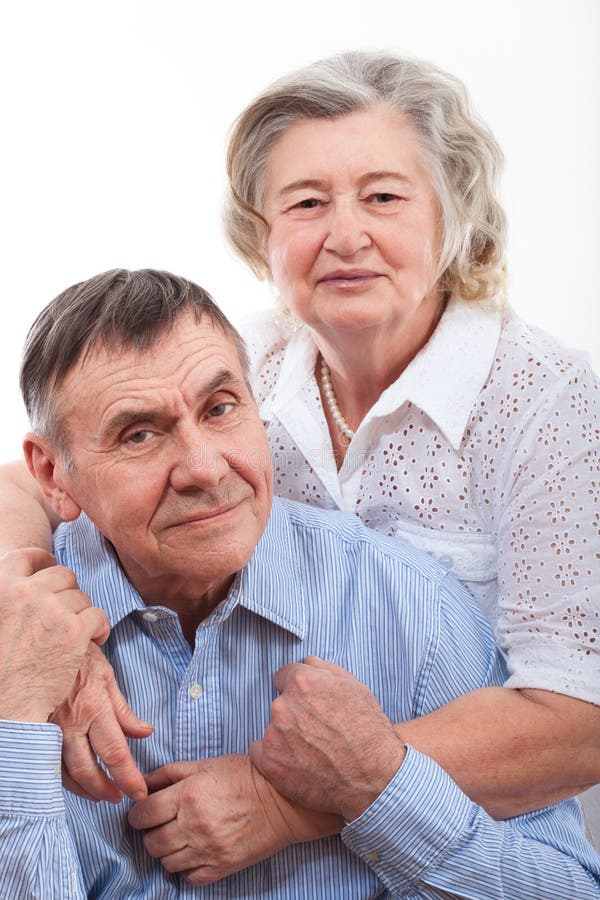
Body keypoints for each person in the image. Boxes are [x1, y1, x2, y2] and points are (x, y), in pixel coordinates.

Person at [0, 50, 598, 834]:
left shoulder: (552, 407)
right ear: (261, 235)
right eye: (307, 204)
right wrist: (43, 630)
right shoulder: (241, 375)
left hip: (489, 837)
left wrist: (290, 802)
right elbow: (35, 479)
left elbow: (583, 720)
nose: (345, 235)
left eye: (383, 197)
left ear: (453, 216)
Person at [1, 268, 599, 898]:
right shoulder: (18, 650)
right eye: (140, 434)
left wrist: (381, 791)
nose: (205, 469)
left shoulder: (413, 607)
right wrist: (15, 719)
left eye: (221, 408)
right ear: (51, 473)